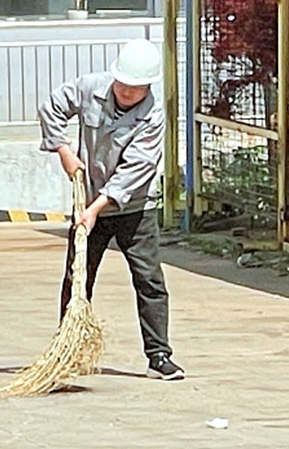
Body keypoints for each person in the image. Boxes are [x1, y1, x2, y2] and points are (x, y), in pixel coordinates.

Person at [37, 38, 184, 381]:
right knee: (77, 276)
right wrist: (64, 150)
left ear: (148, 86)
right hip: (87, 201)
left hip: (134, 208)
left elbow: (137, 168)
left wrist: (97, 208)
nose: (127, 92)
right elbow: (51, 107)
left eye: (136, 88)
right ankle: (68, 350)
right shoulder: (90, 87)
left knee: (149, 279)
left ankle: (159, 356)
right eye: (123, 84)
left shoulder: (152, 115)